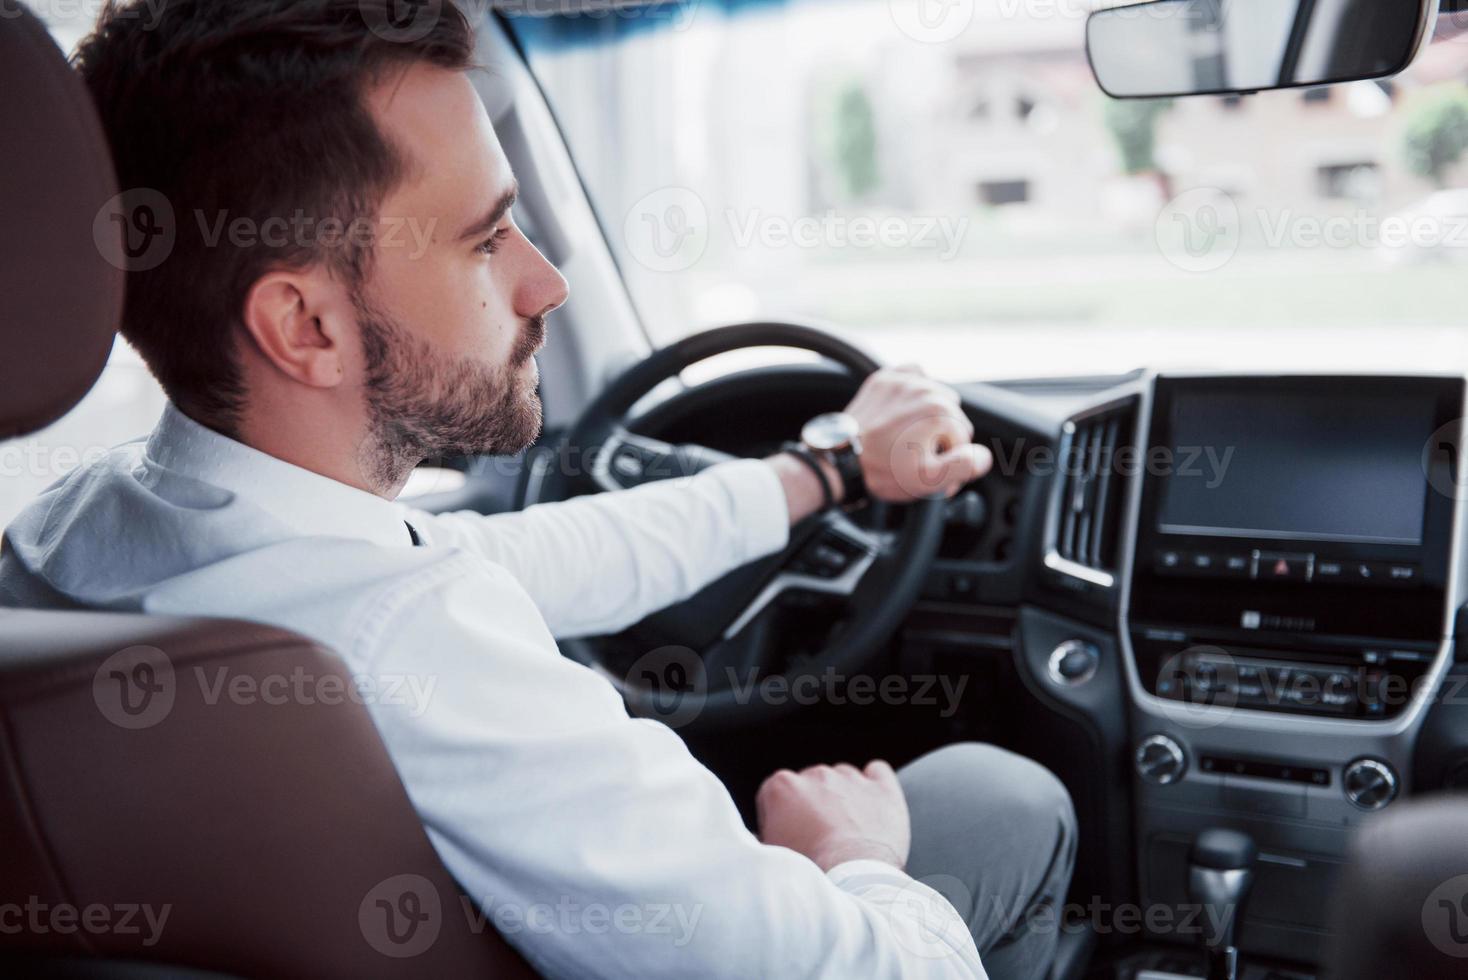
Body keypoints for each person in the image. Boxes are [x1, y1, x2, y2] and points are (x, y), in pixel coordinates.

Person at [0, 2, 1075, 976]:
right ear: (304, 325)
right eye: (484, 238)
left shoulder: (68, 538)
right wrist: (855, 854)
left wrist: (823, 471)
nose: (544, 278)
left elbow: (535, 558)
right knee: (1002, 794)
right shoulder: (412, 639)